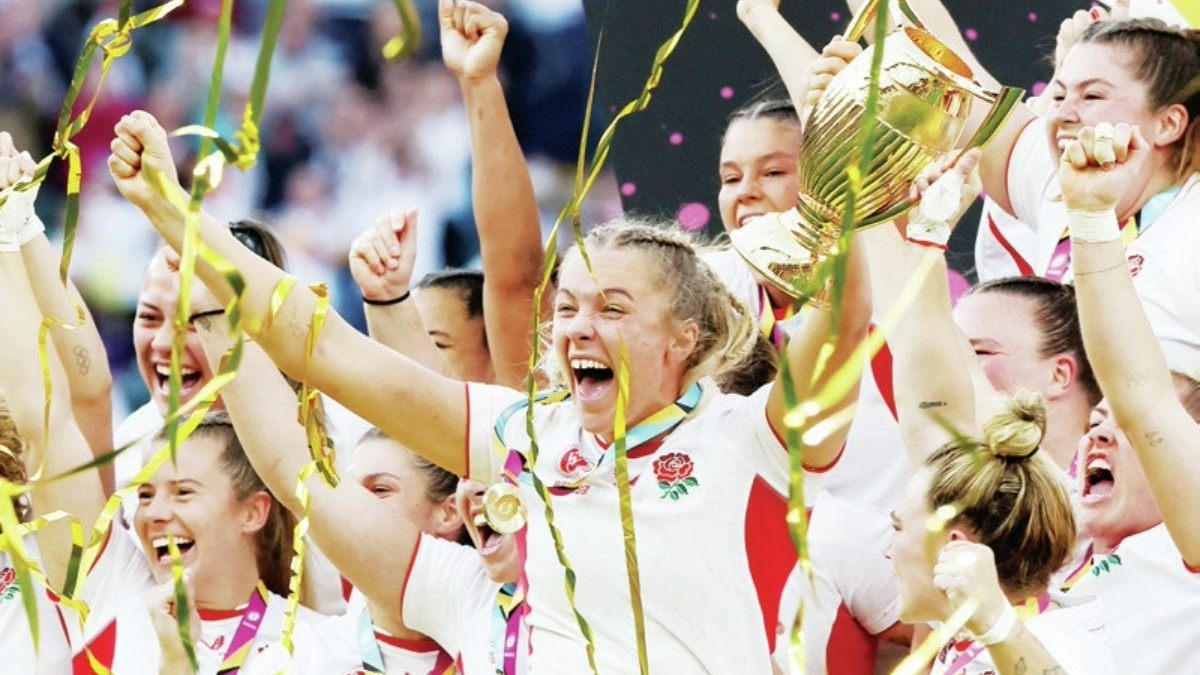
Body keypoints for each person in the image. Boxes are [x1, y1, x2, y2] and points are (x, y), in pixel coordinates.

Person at [107, 96, 872, 673]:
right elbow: (326, 348)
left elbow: (843, 324)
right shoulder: (527, 433)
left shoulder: (748, 439)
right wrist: (177, 216)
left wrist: (843, 168)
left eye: (612, 307)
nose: (576, 327)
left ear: (686, 337)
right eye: (566, 307)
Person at [191, 316, 522, 673]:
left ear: (448, 511)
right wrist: (213, 312)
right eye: (352, 489)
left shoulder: (482, 603)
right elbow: (295, 469)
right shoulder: (304, 655)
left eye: (381, 489)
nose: (357, 504)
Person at [1055, 120, 1200, 673]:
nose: (1097, 431)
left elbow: (1143, 398)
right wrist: (1090, 213)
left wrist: (1092, 222)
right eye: (1096, 417)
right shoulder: (1051, 557)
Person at [89, 413, 322, 673]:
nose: (154, 513)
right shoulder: (116, 605)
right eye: (145, 496)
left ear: (253, 513)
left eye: (183, 493)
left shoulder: (315, 645)